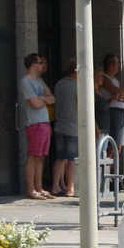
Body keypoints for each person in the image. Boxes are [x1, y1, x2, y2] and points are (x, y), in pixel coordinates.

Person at [20, 53, 53, 200]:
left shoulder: (40, 80)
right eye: (40, 63)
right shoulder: (26, 81)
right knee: (33, 156)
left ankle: (39, 188)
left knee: (41, 157)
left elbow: (52, 99)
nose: (43, 65)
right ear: (34, 64)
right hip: (35, 123)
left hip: (44, 121)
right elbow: (35, 103)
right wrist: (43, 99)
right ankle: (31, 189)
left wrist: (42, 98)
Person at [51, 62, 80, 198]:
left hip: (59, 126)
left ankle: (55, 186)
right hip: (73, 126)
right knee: (71, 159)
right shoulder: (76, 86)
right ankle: (70, 188)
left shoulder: (59, 84)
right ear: (75, 72)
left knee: (60, 157)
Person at [96, 54, 124, 158]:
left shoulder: (115, 79)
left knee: (119, 144)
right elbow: (117, 91)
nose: (119, 65)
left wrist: (121, 95)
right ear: (111, 64)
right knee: (113, 143)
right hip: (114, 111)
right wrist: (120, 93)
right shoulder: (105, 79)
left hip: (121, 112)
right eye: (117, 63)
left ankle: (111, 169)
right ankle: (108, 170)